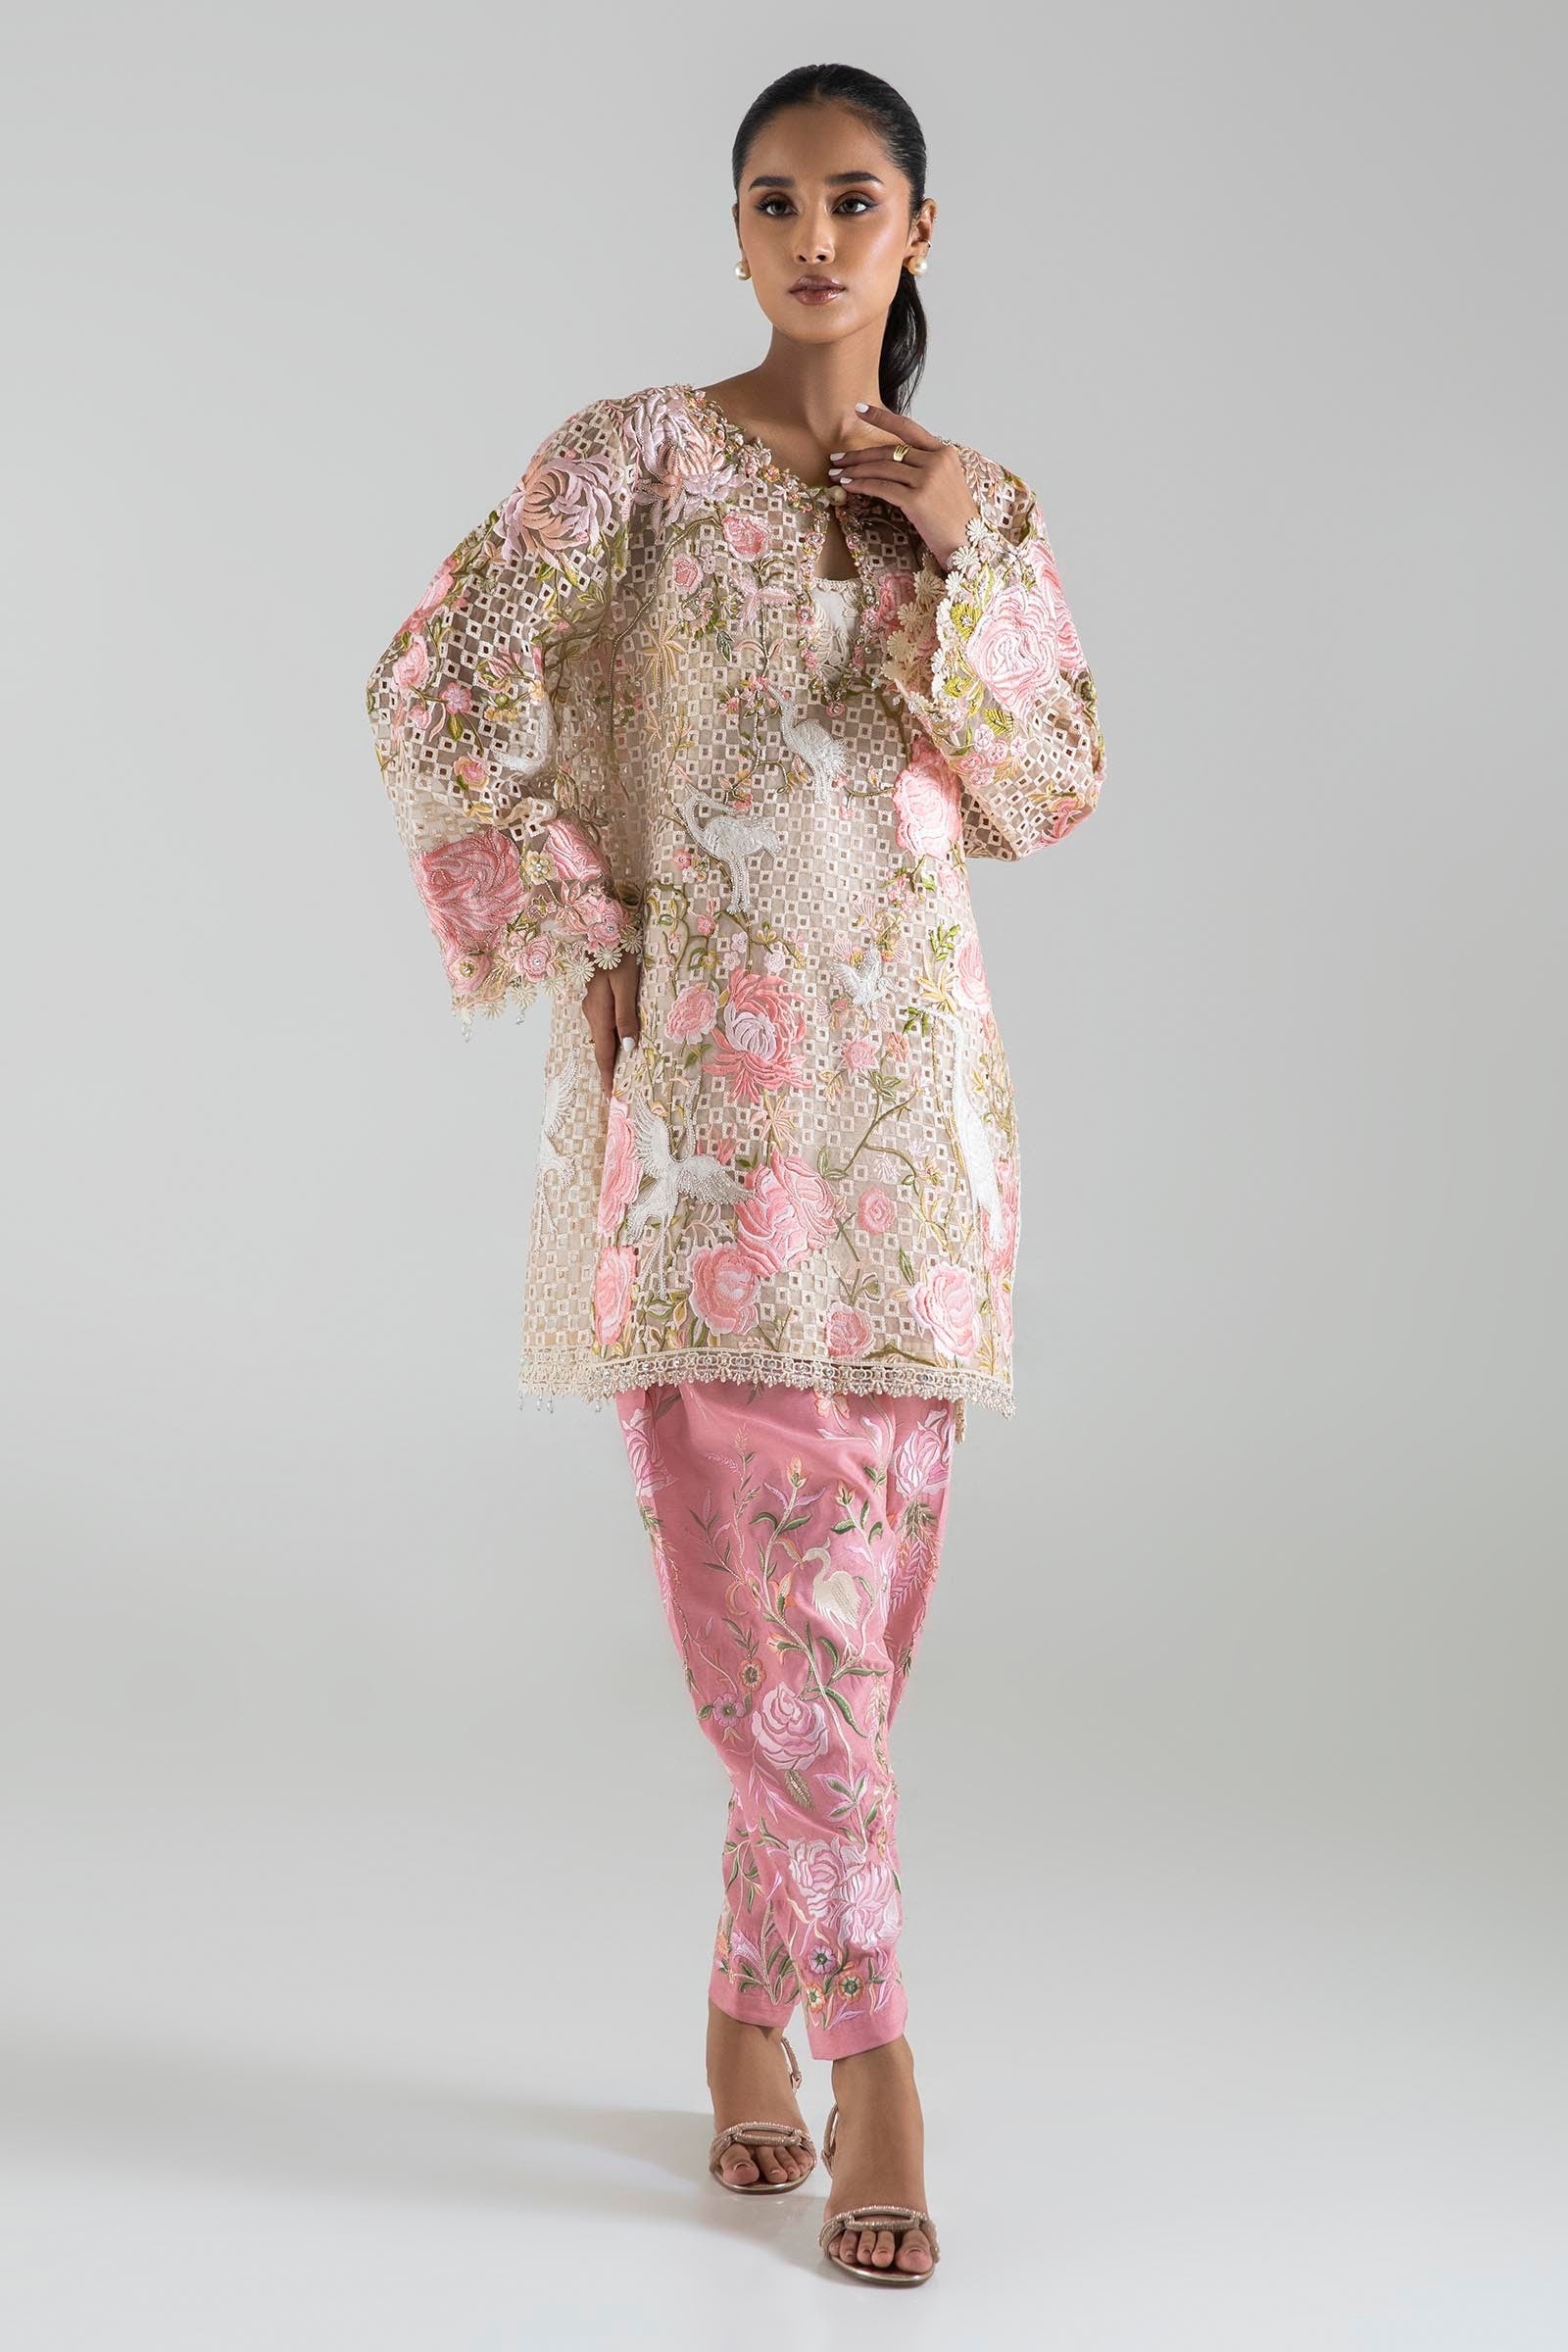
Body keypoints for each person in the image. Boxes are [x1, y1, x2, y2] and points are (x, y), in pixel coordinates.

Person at [365, 60, 1106, 2286]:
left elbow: (1052, 781)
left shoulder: (974, 506)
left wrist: (957, 546)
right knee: (774, 1611)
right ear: (737, 231)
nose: (813, 239)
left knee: (856, 1635)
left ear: (918, 230)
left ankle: (737, 2006)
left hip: (913, 1125)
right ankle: (874, 2058)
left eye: (853, 200)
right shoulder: (636, 458)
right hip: (705, 1123)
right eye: (774, 201)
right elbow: (435, 687)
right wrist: (576, 921)